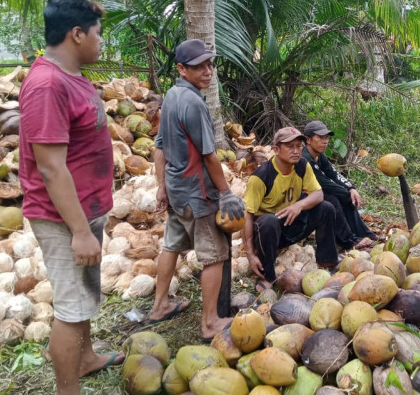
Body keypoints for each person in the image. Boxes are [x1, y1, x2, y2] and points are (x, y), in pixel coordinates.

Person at [19, 0, 118, 395]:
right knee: (72, 307)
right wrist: (79, 230)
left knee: (85, 295)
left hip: (85, 211)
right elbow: (50, 166)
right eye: (98, 34)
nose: (101, 42)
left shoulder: (70, 74)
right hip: (64, 218)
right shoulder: (47, 86)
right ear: (76, 34)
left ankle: (87, 358)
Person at [149, 39, 246, 341]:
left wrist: (162, 186)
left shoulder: (171, 96)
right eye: (199, 66)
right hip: (197, 193)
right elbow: (209, 155)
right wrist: (226, 192)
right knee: (214, 255)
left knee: (172, 244)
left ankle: (160, 305)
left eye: (210, 64)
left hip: (177, 190)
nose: (208, 71)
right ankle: (210, 322)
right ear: (181, 68)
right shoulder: (193, 102)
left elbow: (159, 148)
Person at [243, 127, 339, 291]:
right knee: (269, 220)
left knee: (326, 208)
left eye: (298, 146)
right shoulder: (260, 177)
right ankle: (268, 277)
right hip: (267, 234)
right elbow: (247, 216)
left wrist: (298, 205)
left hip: (290, 223)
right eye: (290, 146)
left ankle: (327, 262)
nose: (296, 151)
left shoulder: (302, 165)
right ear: (276, 150)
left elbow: (318, 194)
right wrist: (250, 255)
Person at [301, 120, 375, 249]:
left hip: (316, 192)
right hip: (302, 197)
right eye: (320, 137)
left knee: (344, 196)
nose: (325, 141)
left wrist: (351, 188)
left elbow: (333, 174)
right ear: (308, 140)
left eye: (326, 138)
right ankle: (348, 240)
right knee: (333, 199)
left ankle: (363, 233)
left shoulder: (320, 156)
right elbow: (324, 184)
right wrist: (346, 193)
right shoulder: (305, 159)